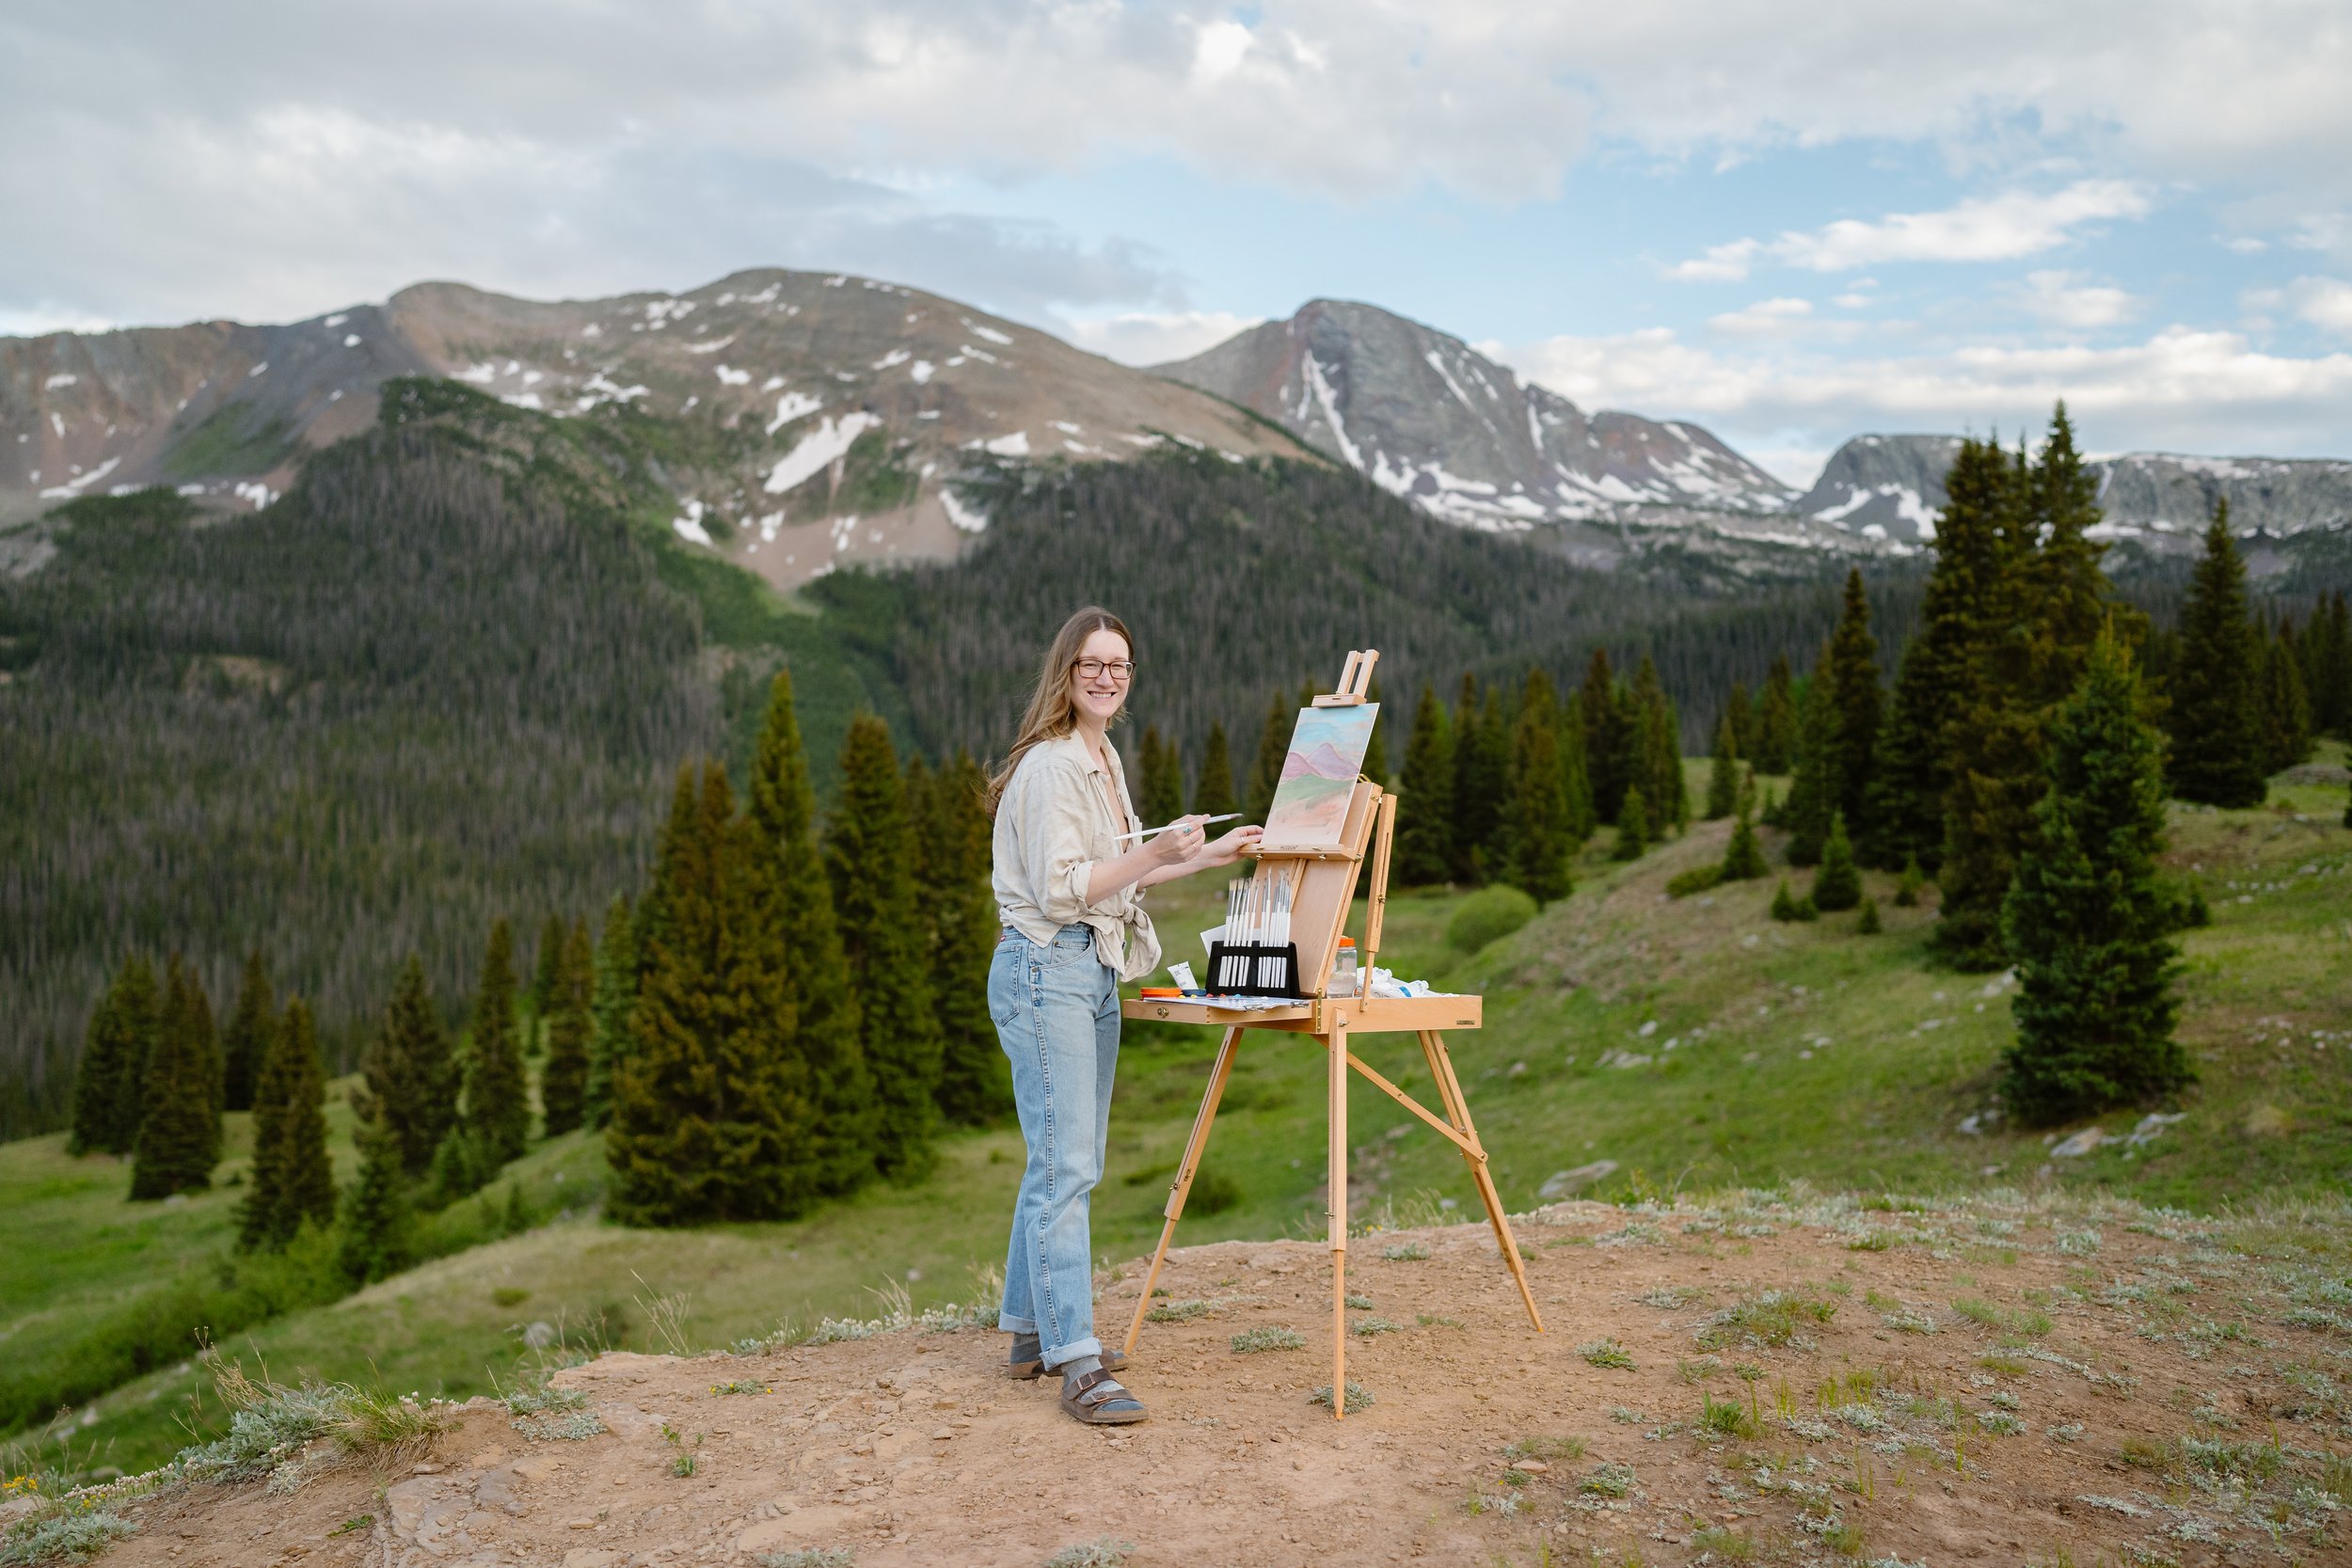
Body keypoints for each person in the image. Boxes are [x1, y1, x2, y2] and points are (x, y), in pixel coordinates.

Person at [985, 607, 1261, 1425]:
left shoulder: (1101, 758)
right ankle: (1078, 1360)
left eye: (1120, 665)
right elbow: (1061, 887)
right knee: (1067, 1165)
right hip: (1047, 967)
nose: (1107, 677)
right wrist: (1155, 851)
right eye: (1092, 664)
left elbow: (1119, 879)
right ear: (1065, 672)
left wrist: (1210, 852)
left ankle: (1032, 1333)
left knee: (1063, 1157)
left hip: (1089, 966)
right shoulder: (1050, 768)